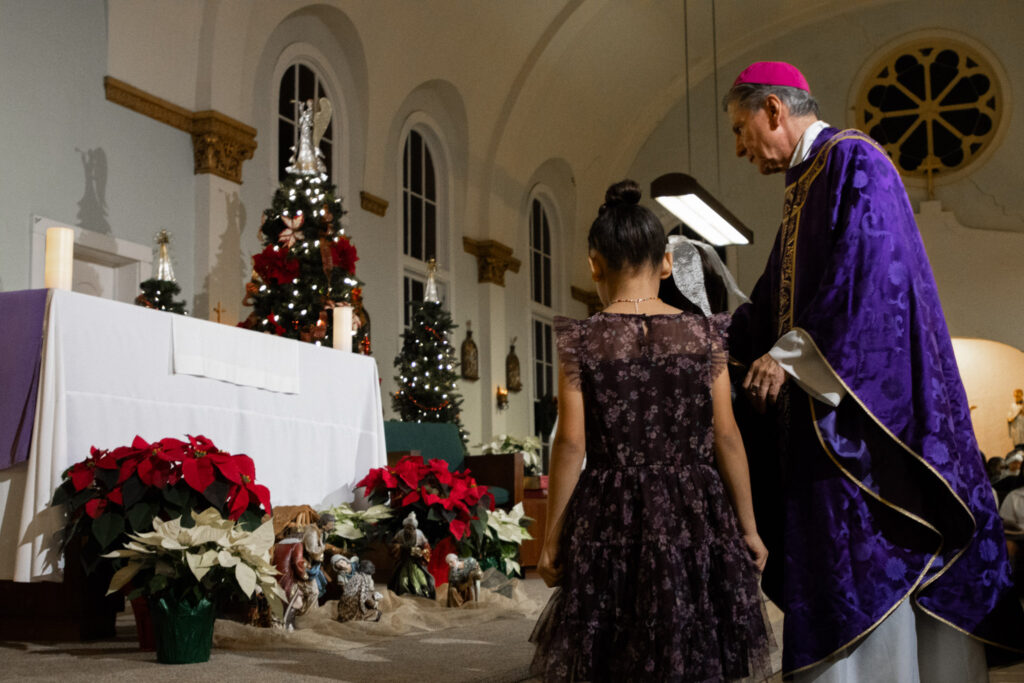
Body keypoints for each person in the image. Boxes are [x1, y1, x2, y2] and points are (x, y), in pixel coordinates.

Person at [723, 60, 1024, 680]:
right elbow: (768, 308)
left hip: (865, 435)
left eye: (738, 127)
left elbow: (871, 283)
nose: (738, 147)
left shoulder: (855, 161)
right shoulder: (807, 183)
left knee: (872, 562)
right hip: (824, 426)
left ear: (773, 110)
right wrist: (698, 324)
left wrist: (789, 357)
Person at [529, 180, 772, 682]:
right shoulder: (706, 334)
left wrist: (552, 538)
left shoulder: (581, 339)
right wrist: (747, 527)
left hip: (611, 506)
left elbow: (571, 443)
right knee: (694, 628)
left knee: (616, 636)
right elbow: (727, 436)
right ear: (666, 263)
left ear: (594, 264)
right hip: (694, 506)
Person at [388, 511, 435, 599]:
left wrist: (420, 552)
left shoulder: (420, 534)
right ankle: (404, 597)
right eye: (407, 528)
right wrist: (397, 547)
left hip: (416, 563)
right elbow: (393, 544)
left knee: (421, 580)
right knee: (403, 581)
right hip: (404, 562)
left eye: (411, 528)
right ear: (404, 527)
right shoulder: (400, 534)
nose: (408, 530)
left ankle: (421, 596)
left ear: (414, 529)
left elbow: (426, 548)